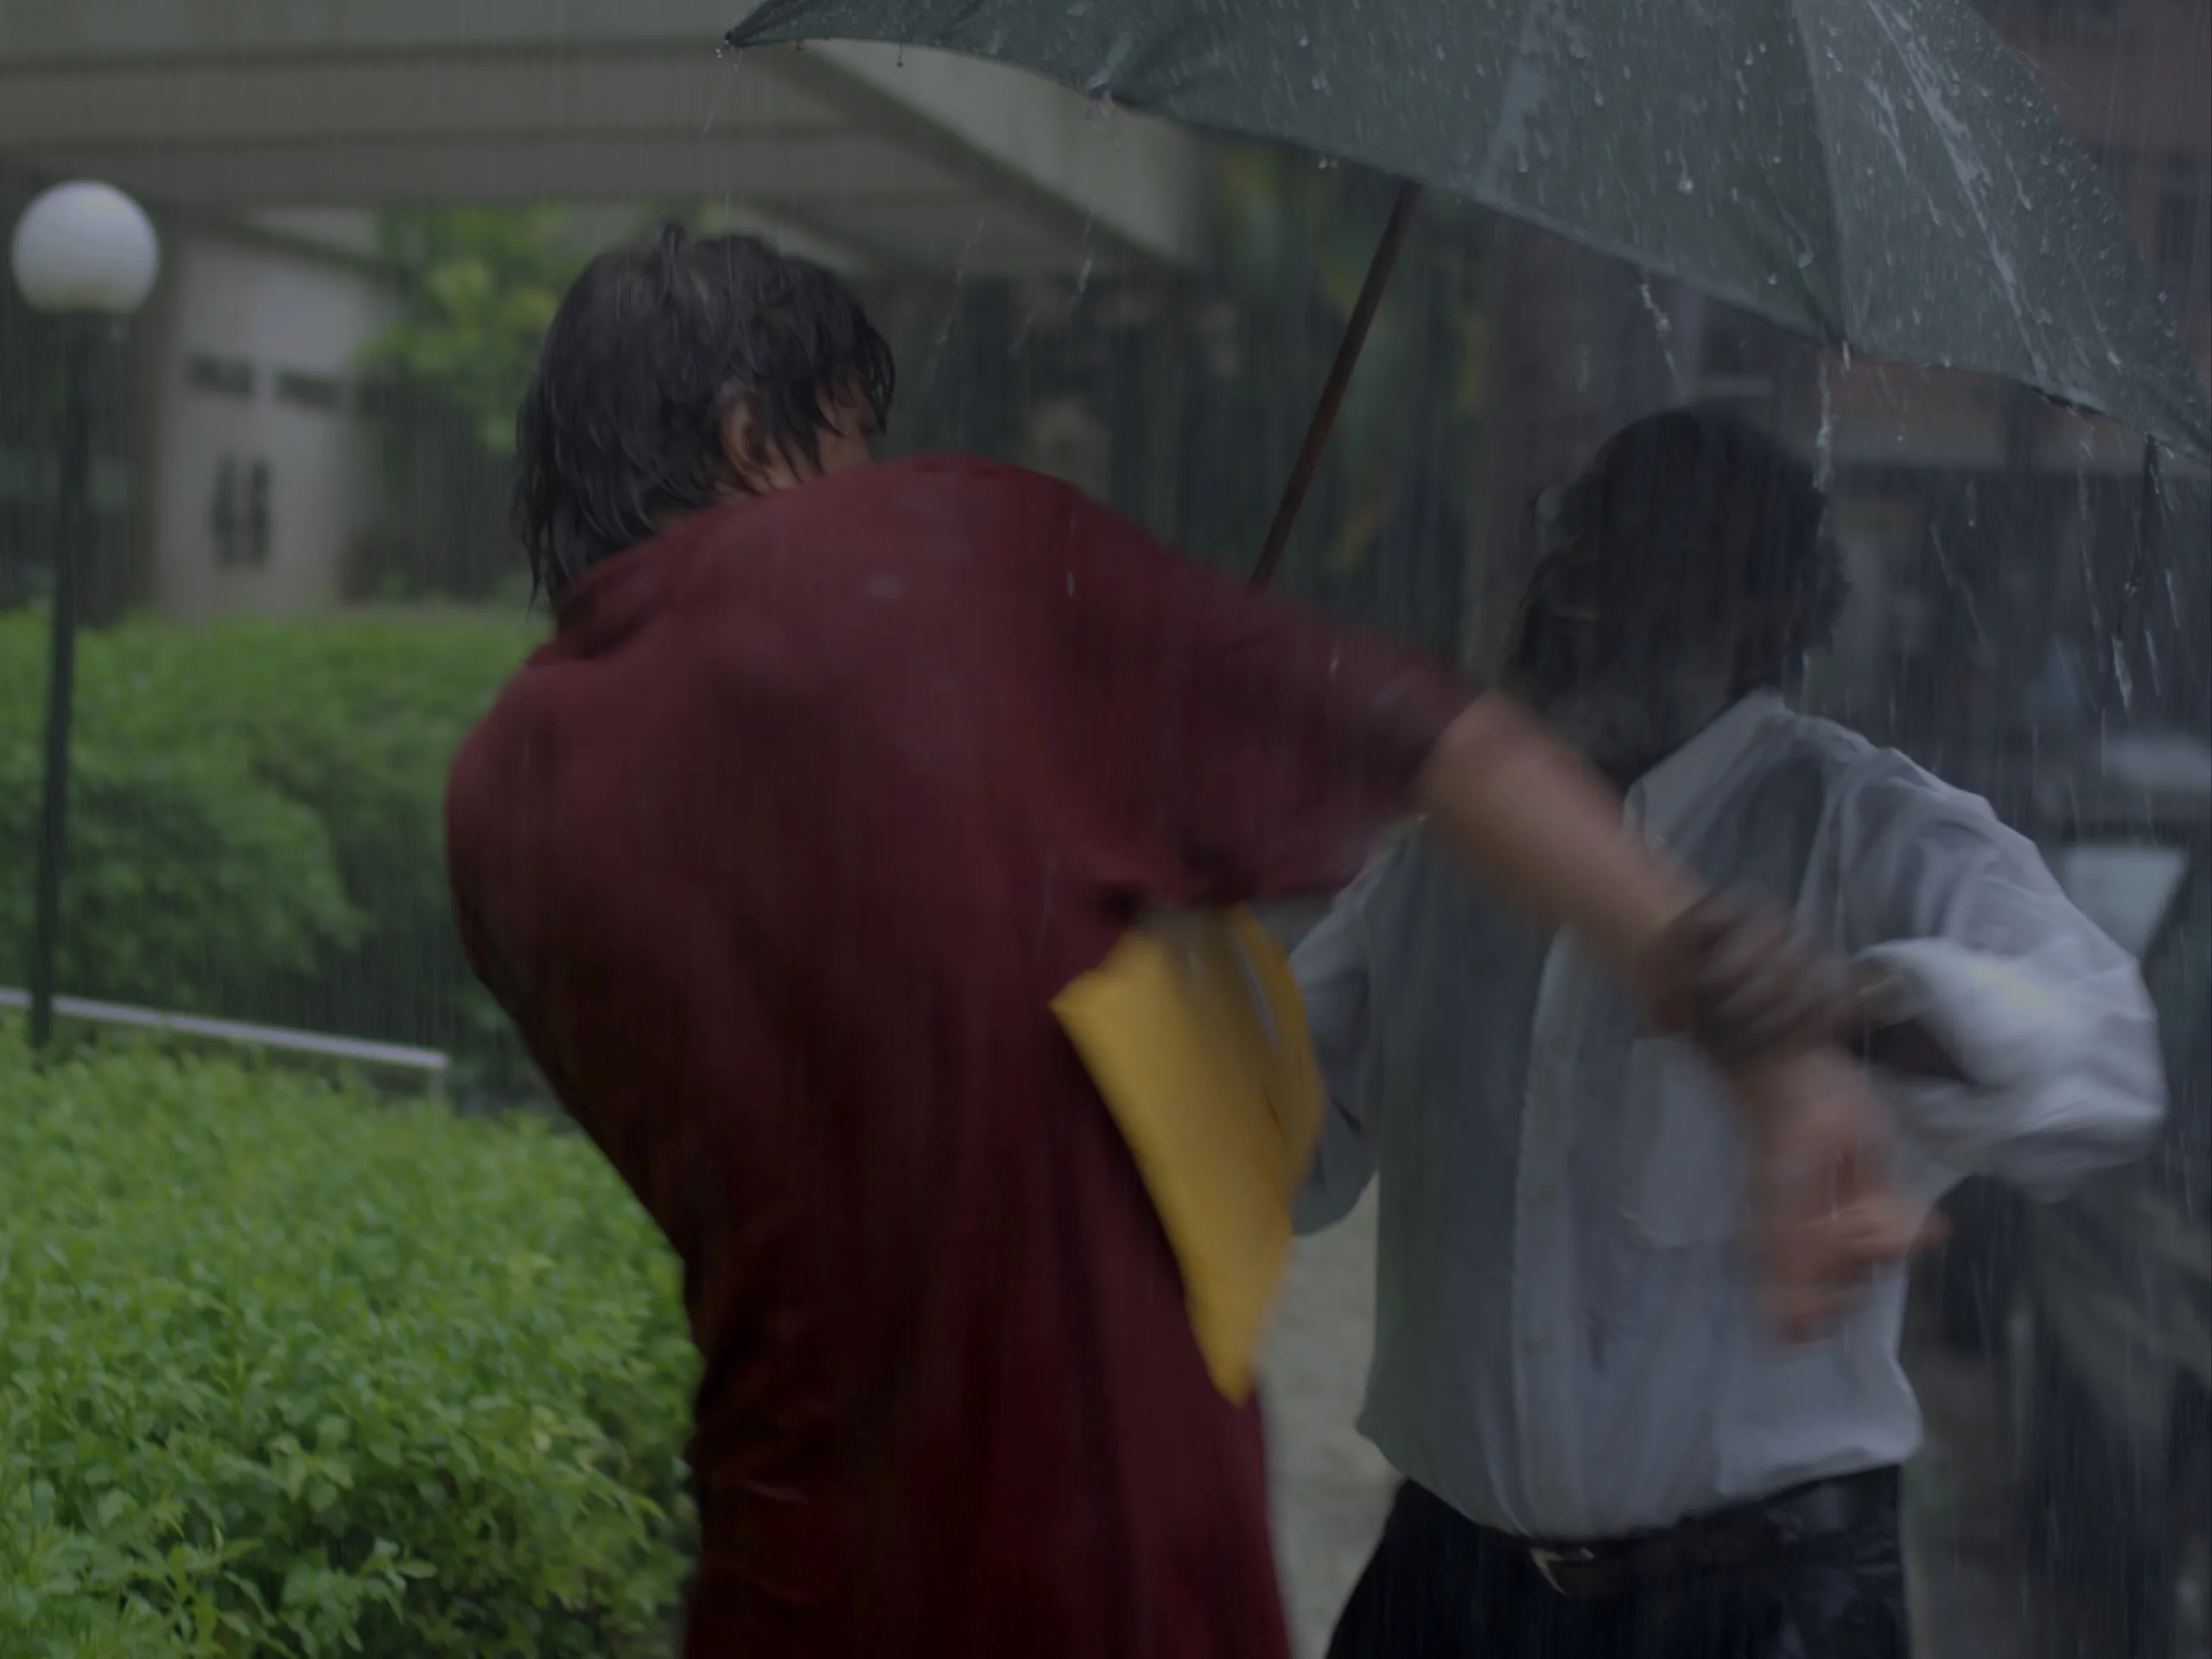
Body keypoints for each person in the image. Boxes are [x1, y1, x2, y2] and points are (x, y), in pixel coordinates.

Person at [444, 228, 1912, 1659]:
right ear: (753, 430)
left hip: (795, 1561)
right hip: (1083, 1556)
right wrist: (1770, 1049)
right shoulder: (918, 559)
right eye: (850, 439)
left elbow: (862, 1087)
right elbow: (1444, 742)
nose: (870, 483)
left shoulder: (504, 798)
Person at [1292, 407, 2168, 1659]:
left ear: (1773, 620)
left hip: (1764, 1609)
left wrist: (1851, 1010)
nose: (1583, 564)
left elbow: (2106, 1057)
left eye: (1649, 537)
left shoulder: (1865, 828)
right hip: (1448, 1595)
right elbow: (1281, 1152)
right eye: (1577, 526)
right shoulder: (1440, 868)